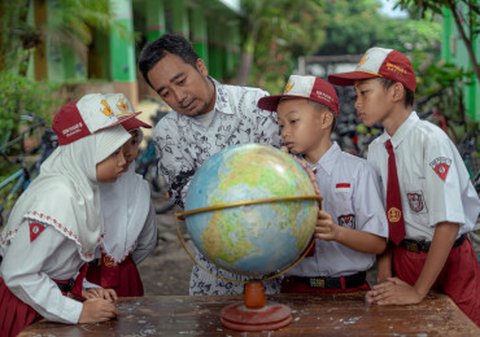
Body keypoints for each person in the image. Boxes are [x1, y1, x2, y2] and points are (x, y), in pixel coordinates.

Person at [328, 47, 480, 324]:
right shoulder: (375, 150)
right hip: (403, 260)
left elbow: (447, 223)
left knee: (461, 327)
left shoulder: (430, 141)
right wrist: (385, 275)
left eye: (364, 93)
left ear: (395, 92)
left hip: (449, 259)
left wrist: (419, 291)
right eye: (356, 95)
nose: (357, 103)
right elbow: (385, 219)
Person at [138, 33, 281, 295]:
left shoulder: (255, 105)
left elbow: (283, 176)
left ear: (200, 67)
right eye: (165, 93)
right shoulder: (168, 132)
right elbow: (188, 198)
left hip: (278, 260)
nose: (179, 97)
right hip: (214, 277)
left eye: (181, 81)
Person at [0, 93, 141, 336]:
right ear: (85, 151)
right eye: (112, 153)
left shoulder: (81, 188)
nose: (123, 161)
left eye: (122, 151)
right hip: (27, 311)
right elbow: (17, 273)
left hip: (45, 303)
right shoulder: (57, 196)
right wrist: (77, 313)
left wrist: (84, 287)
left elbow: (54, 263)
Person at [257, 75, 388, 293]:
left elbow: (378, 243)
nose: (285, 132)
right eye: (280, 125)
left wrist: (336, 232)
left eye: (293, 121)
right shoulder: (282, 176)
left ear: (325, 120)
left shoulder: (359, 171)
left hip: (349, 292)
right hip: (294, 291)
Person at [85, 94, 158, 297]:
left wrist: (119, 261)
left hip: (126, 281)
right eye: (116, 144)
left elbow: (146, 243)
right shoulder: (76, 191)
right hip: (79, 284)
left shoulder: (139, 190)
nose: (126, 153)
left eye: (133, 142)